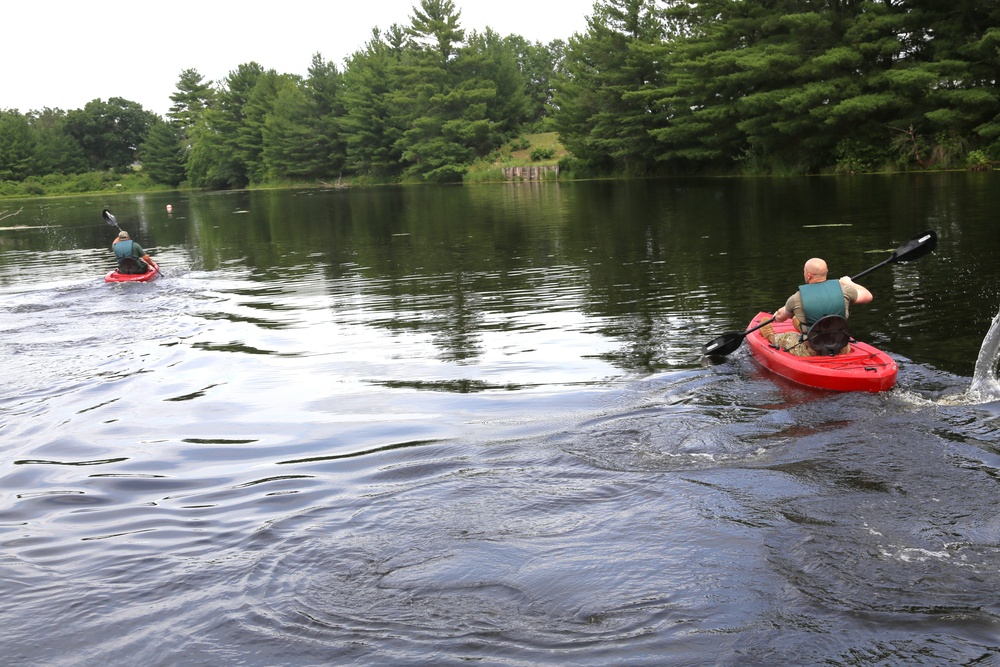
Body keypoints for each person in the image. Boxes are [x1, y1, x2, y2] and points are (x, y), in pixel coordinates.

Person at [762, 257, 873, 356]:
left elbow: (782, 317)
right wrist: (849, 282)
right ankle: (799, 323)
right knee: (800, 320)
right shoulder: (844, 290)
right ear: (826, 272)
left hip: (810, 350)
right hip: (842, 347)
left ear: (808, 275)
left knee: (785, 337)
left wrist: (777, 315)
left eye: (804, 272)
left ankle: (770, 336)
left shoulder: (796, 298)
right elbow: (868, 296)